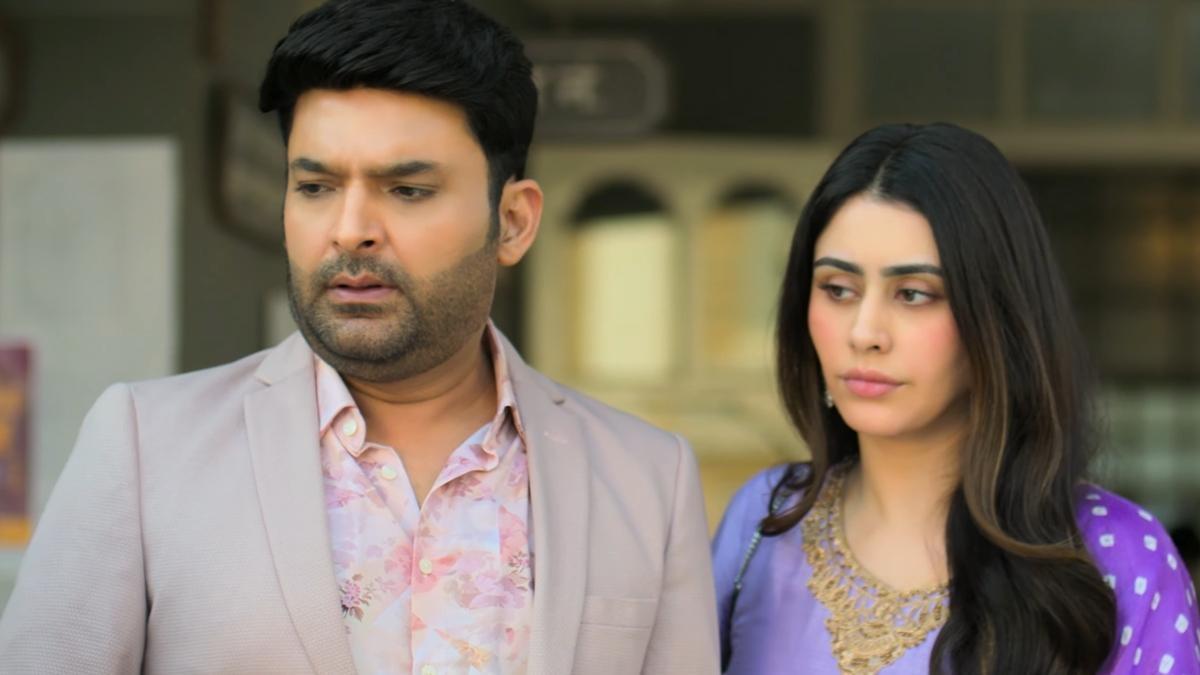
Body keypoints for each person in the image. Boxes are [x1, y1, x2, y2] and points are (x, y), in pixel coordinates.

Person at [0, 2, 718, 673]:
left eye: (407, 190)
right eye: (315, 187)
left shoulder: (646, 480)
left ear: (513, 222)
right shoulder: (144, 446)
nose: (349, 230)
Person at [713, 123, 1200, 674]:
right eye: (838, 289)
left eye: (913, 294)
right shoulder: (766, 517)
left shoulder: (1115, 555)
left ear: (996, 318)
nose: (864, 332)